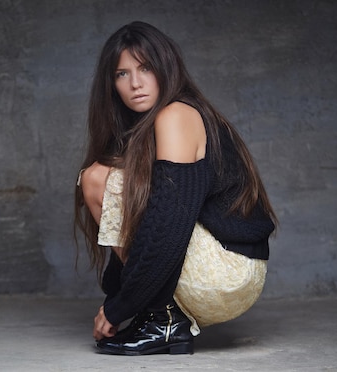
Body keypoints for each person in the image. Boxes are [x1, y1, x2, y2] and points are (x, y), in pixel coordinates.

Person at [74, 21, 277, 356]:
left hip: (225, 271)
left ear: (165, 67)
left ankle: (162, 319)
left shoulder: (176, 114)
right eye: (121, 74)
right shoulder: (162, 121)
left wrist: (119, 306)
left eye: (145, 68)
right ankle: (162, 318)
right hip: (235, 275)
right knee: (120, 182)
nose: (135, 83)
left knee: (97, 178)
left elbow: (168, 227)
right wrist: (122, 299)